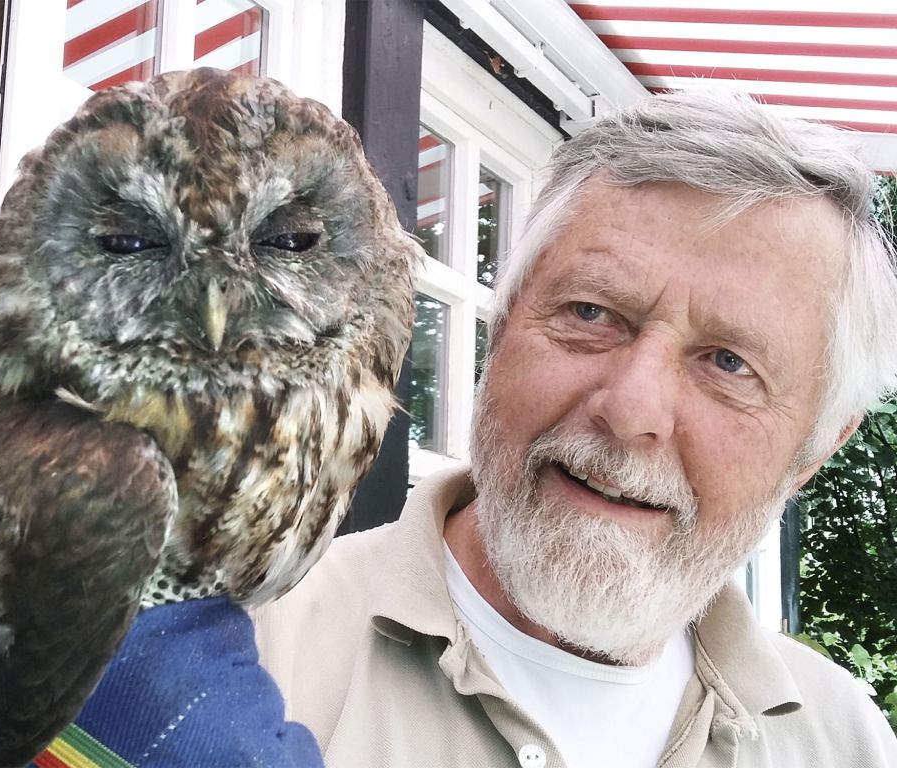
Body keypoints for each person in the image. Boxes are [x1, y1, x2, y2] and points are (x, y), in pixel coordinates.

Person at [252, 89, 897, 767]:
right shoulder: (245, 653)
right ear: (500, 330)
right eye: (591, 313)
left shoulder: (847, 743)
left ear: (815, 451)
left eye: (729, 364)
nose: (630, 410)